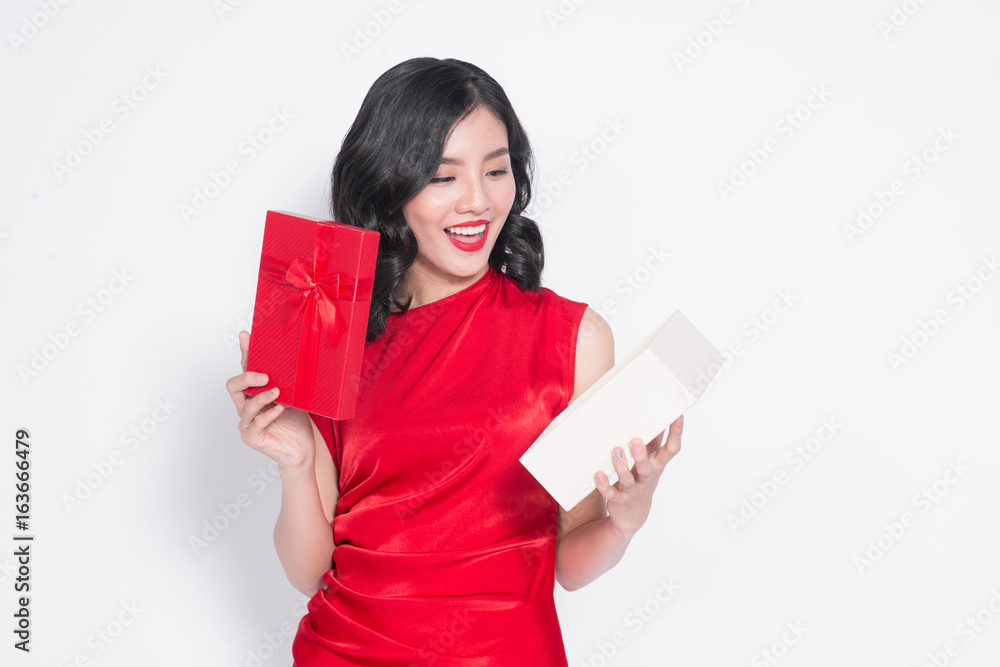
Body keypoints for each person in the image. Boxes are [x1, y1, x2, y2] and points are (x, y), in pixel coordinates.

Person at [225, 57, 684, 665]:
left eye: (497, 170)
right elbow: (310, 573)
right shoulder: (330, 327)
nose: (478, 201)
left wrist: (625, 520)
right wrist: (297, 458)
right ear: (391, 189)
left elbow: (570, 564)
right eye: (442, 178)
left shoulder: (574, 337)